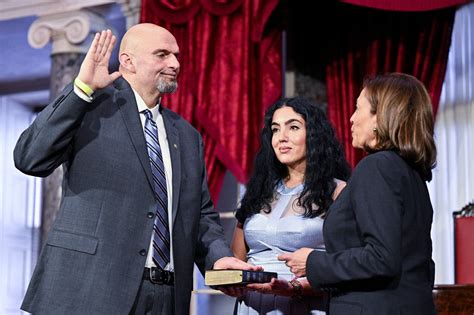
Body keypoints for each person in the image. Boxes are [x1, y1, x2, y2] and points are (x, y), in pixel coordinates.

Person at [13, 24, 259, 315]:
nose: (175, 64)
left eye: (177, 56)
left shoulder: (187, 135)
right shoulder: (91, 108)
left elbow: (200, 215)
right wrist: (81, 90)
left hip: (166, 297)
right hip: (90, 291)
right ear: (128, 61)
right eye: (162, 54)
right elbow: (30, 157)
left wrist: (219, 257)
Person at [280, 73, 437, 314]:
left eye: (357, 108)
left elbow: (381, 258)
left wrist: (312, 262)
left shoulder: (377, 167)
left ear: (380, 117)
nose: (351, 119)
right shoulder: (411, 172)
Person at [229, 97, 351, 314]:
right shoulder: (258, 191)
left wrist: (293, 288)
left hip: (305, 304)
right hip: (251, 306)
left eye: (293, 127)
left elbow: (345, 267)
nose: (281, 138)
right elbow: (237, 259)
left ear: (314, 135)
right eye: (275, 130)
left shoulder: (339, 191)